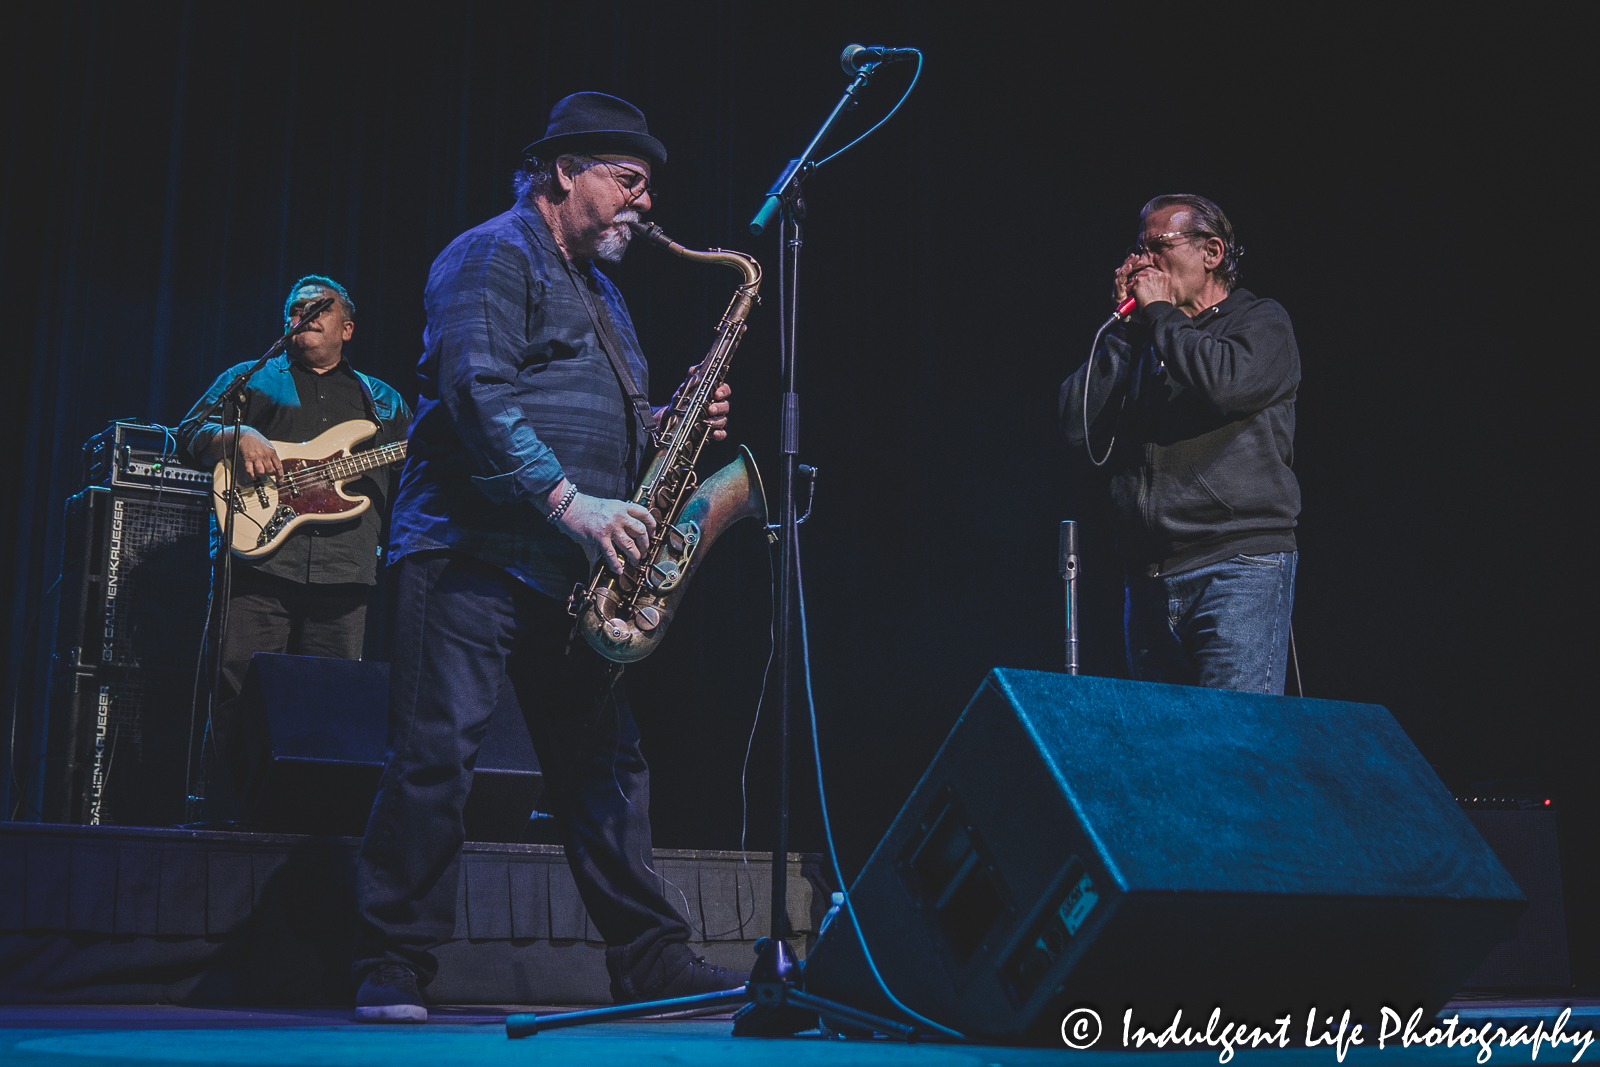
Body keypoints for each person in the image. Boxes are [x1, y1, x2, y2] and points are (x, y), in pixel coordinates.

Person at [351, 92, 740, 1022]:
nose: (645, 206)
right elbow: (477, 392)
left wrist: (665, 426)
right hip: (469, 553)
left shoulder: (602, 292)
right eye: (629, 181)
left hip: (571, 571)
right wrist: (571, 502)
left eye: (647, 188)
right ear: (565, 171)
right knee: (436, 758)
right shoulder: (492, 252)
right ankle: (392, 963)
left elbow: (575, 413)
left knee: (607, 768)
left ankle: (650, 960)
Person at [178, 276, 411, 792]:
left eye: (317, 308)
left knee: (331, 703)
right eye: (294, 310)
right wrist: (234, 437)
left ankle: (311, 821)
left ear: (346, 328)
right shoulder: (251, 380)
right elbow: (186, 435)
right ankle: (223, 815)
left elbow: (415, 481)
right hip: (258, 565)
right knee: (238, 692)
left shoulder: (383, 402)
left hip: (345, 571)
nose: (302, 316)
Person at [1061, 194, 1301, 694]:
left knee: (1234, 747)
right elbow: (1075, 425)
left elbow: (1225, 383)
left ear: (1211, 251)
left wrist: (1163, 315)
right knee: (1168, 758)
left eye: (1157, 247)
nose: (1143, 261)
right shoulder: (1145, 338)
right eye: (1138, 249)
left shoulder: (1261, 322)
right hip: (1148, 579)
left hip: (1237, 568)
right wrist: (1126, 332)